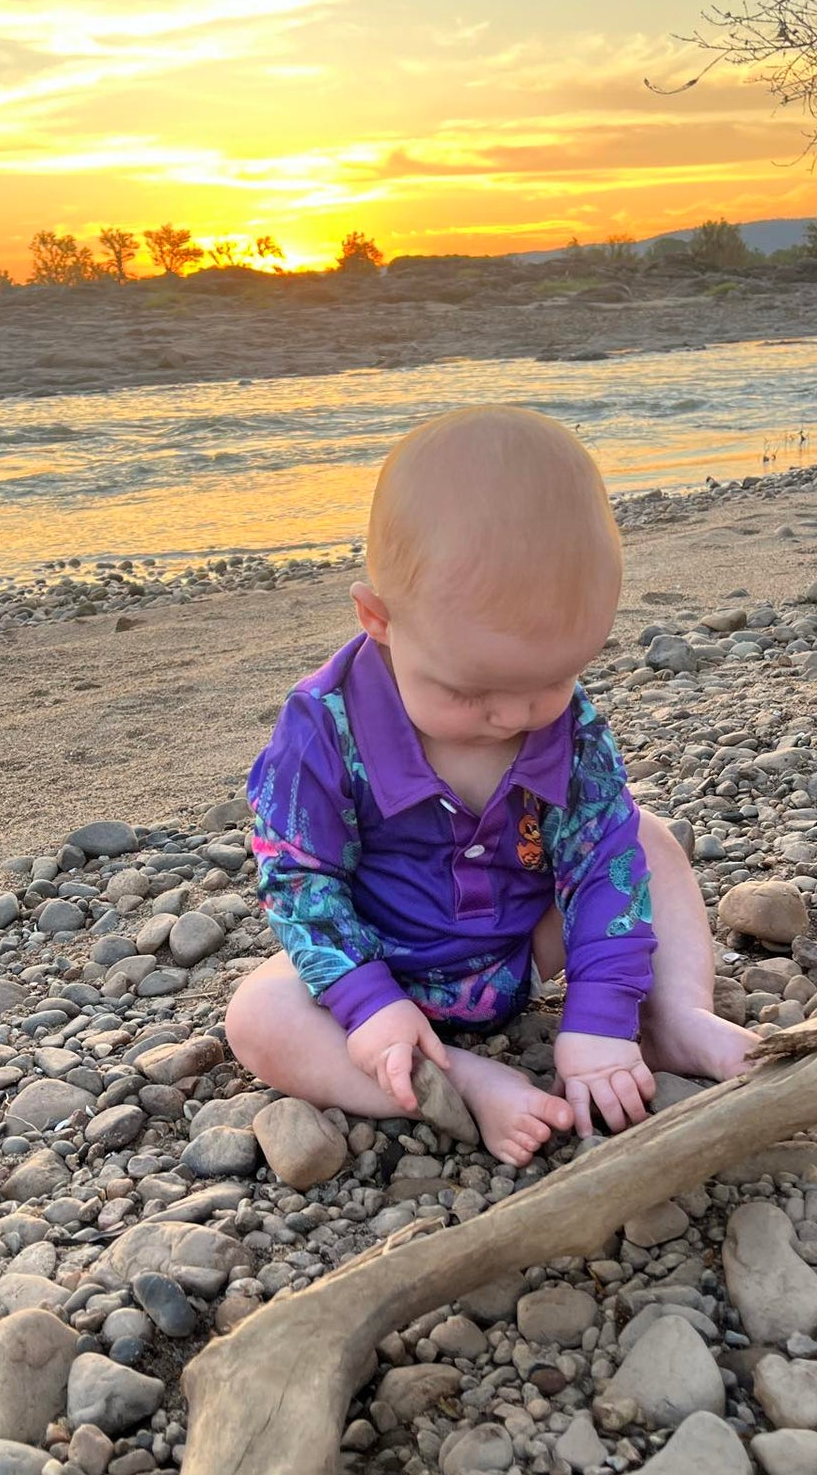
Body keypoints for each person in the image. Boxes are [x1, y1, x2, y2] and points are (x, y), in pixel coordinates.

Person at [225, 405, 755, 1166]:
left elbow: (600, 863)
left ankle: (673, 1015)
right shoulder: (321, 730)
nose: (513, 715)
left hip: (518, 942)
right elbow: (300, 881)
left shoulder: (564, 721)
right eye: (471, 692)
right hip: (387, 957)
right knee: (258, 1015)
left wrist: (600, 1016)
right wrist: (367, 1004)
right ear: (378, 617)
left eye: (549, 681)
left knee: (644, 836)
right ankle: (463, 1083)